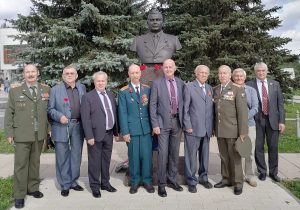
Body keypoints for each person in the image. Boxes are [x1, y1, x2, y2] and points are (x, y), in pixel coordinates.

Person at [4, 64, 50, 209]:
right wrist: (9, 133)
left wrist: (49, 129)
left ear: (38, 73)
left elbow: (48, 111)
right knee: (21, 165)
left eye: (33, 72)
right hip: (22, 134)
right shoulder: (15, 91)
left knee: (35, 163)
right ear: (24, 74)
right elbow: (9, 114)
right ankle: (19, 195)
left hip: (39, 133)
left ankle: (33, 188)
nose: (30, 74)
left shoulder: (46, 89)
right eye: (27, 72)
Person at [48, 66, 86, 197]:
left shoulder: (82, 88)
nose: (69, 75)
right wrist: (59, 116)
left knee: (76, 155)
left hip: (78, 126)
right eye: (66, 73)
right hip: (61, 126)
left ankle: (73, 181)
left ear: (76, 75)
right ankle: (65, 184)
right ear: (62, 75)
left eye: (72, 73)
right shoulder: (55, 90)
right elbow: (50, 109)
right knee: (62, 156)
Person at [150, 59, 185, 197]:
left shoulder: (181, 83)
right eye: (166, 67)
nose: (168, 69)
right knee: (163, 154)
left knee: (174, 153)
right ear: (162, 69)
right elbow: (152, 105)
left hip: (177, 122)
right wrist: (155, 124)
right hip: (162, 123)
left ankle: (172, 179)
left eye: (171, 67)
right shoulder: (157, 83)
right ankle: (162, 184)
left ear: (175, 68)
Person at [80, 71, 118, 198]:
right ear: (94, 82)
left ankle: (105, 183)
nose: (101, 83)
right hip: (95, 135)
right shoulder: (88, 97)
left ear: (106, 82)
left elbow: (114, 113)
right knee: (95, 162)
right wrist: (89, 136)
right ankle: (95, 186)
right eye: (98, 81)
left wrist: (116, 131)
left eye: (103, 81)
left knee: (106, 161)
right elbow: (85, 119)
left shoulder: (111, 95)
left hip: (109, 133)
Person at [118, 64, 154, 194]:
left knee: (146, 156)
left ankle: (147, 181)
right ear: (129, 74)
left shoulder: (147, 89)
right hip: (132, 131)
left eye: (137, 73)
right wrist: (125, 132)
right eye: (132, 73)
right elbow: (122, 113)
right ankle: (135, 182)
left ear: (140, 74)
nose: (135, 75)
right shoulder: (124, 92)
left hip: (146, 129)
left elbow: (151, 109)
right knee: (133, 157)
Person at [246, 62, 285, 182]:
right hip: (257, 120)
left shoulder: (275, 84)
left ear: (266, 71)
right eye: (258, 71)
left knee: (273, 147)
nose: (261, 73)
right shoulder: (249, 85)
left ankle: (274, 172)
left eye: (263, 70)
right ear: (255, 72)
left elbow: (280, 105)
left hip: (273, 120)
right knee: (258, 147)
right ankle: (262, 171)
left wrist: (282, 121)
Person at [213, 65, 248, 195]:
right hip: (220, 130)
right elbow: (215, 111)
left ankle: (238, 183)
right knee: (224, 156)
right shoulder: (216, 89)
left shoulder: (237, 89)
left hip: (233, 130)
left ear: (230, 75)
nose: (222, 75)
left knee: (235, 157)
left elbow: (243, 113)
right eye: (220, 73)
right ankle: (226, 179)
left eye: (225, 73)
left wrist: (243, 132)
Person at [183, 65, 214, 193]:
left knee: (204, 155)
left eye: (206, 73)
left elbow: (211, 109)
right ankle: (191, 180)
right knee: (191, 156)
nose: (204, 75)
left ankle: (203, 178)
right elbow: (185, 109)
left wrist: (211, 127)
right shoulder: (189, 87)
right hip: (193, 128)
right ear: (196, 74)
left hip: (206, 129)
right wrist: (187, 126)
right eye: (201, 72)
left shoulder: (209, 88)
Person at [130, 9, 182, 85]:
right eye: (152, 20)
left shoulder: (173, 40)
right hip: (145, 76)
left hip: (163, 75)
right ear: (147, 22)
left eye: (158, 20)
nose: (155, 22)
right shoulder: (138, 41)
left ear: (162, 22)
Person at [232, 68, 258, 187]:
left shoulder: (251, 90)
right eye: (236, 76)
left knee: (248, 152)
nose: (238, 78)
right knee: (237, 152)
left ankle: (250, 175)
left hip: (249, 125)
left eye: (241, 76)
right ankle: (239, 176)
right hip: (234, 126)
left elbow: (255, 108)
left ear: (245, 77)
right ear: (233, 77)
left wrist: (243, 118)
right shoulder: (229, 90)